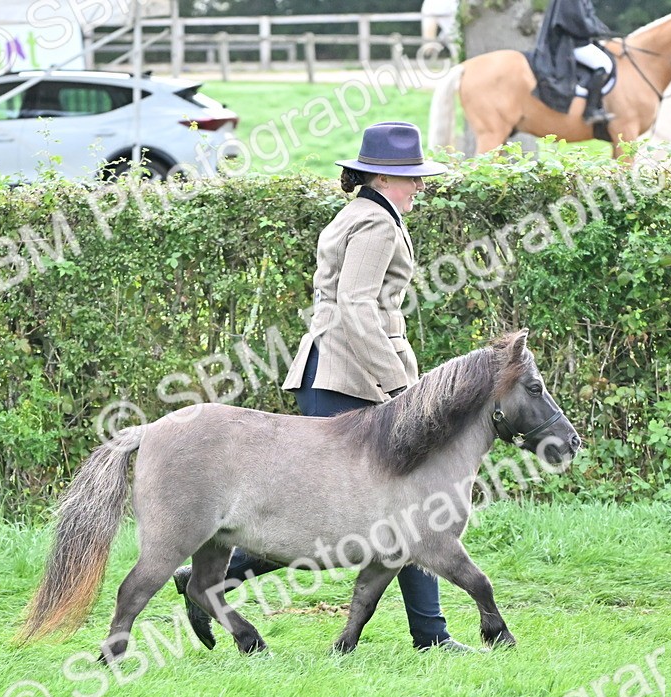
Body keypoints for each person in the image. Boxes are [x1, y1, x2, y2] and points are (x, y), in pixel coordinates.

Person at [173, 121, 473, 653]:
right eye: (411, 177)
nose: (420, 186)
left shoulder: (357, 212)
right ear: (382, 177)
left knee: (375, 509)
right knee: (401, 506)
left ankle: (213, 582)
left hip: (332, 369)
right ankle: (431, 636)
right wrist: (402, 388)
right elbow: (358, 308)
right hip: (350, 376)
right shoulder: (378, 224)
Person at [529, 0, 614, 125]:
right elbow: (577, 21)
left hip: (579, 41)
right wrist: (597, 30)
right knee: (604, 64)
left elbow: (588, 15)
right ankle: (591, 111)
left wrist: (603, 30)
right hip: (569, 44)